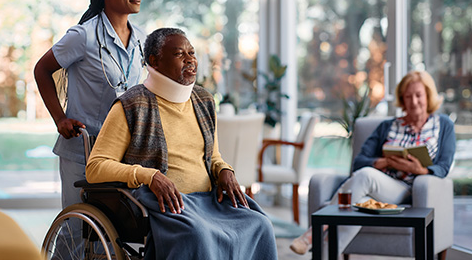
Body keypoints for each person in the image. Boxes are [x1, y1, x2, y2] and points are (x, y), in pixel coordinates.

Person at [86, 28, 278, 260]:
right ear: (154, 61)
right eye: (179, 54)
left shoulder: (204, 99)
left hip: (209, 200)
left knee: (259, 224)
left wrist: (224, 169)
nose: (190, 60)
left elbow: (212, 157)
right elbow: (95, 167)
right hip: (166, 205)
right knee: (197, 235)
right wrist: (150, 176)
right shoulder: (131, 104)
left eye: (192, 53)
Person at [290, 70, 456, 256]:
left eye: (419, 95)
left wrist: (419, 170)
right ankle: (325, 255)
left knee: (366, 176)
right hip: (382, 185)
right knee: (357, 206)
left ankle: (312, 235)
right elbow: (359, 161)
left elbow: (443, 167)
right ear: (402, 99)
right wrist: (385, 162)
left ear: (428, 96)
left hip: (412, 190)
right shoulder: (388, 126)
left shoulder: (443, 126)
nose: (414, 101)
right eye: (408, 96)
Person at [34, 0, 146, 212]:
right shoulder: (83, 36)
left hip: (122, 151)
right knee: (77, 229)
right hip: (84, 147)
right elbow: (42, 69)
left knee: (114, 230)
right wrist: (60, 119)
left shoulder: (141, 38)